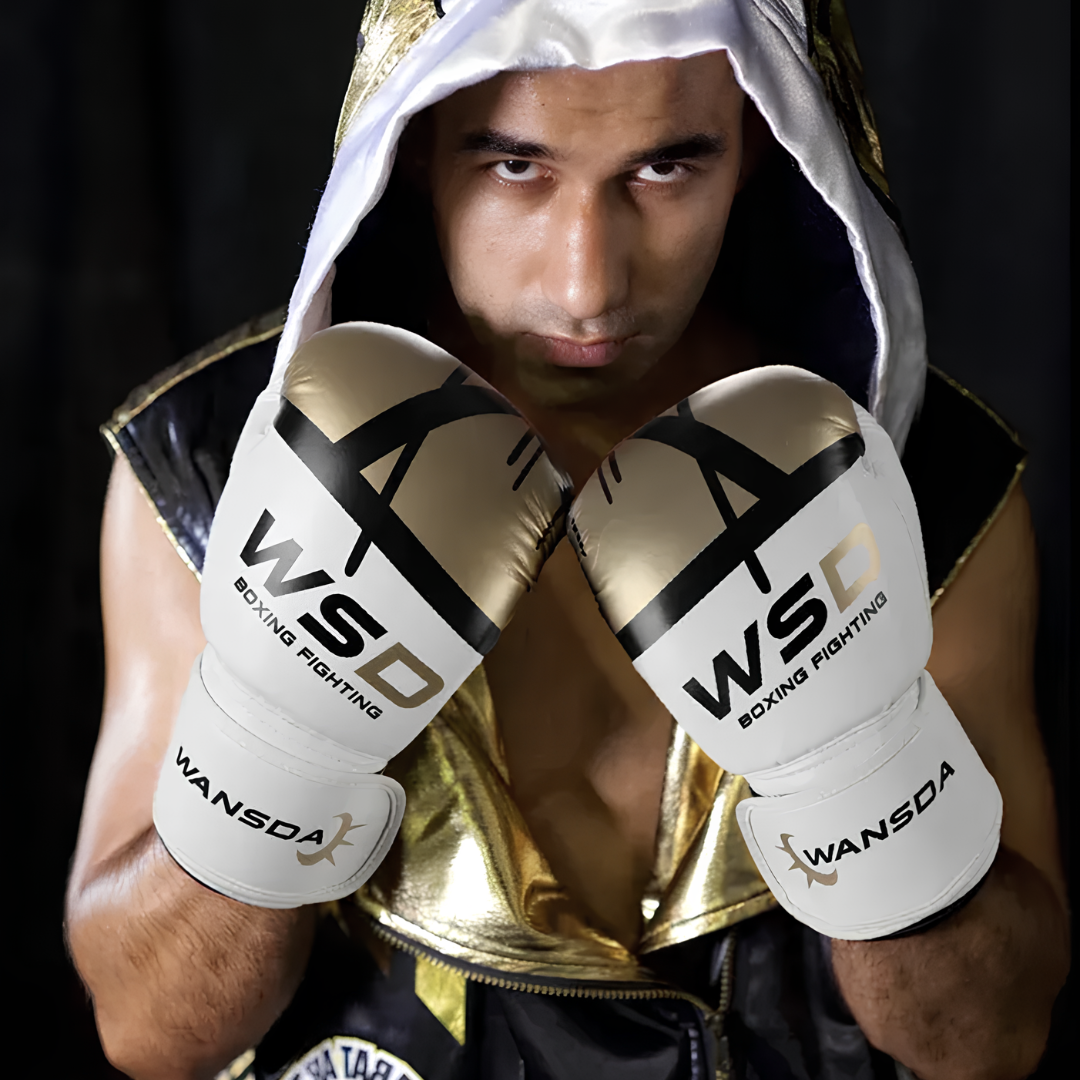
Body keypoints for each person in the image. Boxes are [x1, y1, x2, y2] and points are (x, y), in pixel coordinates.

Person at [66, 2, 1068, 1078]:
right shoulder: (218, 462)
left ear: (767, 146)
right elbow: (152, 1034)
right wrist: (278, 743)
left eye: (666, 169)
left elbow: (985, 1043)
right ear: (410, 148)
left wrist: (861, 769)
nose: (588, 284)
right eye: (514, 167)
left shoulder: (922, 486)